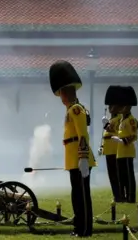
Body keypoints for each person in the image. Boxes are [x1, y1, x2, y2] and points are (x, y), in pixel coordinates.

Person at [49, 60, 96, 237]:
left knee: (82, 197)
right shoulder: (71, 109)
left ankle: (84, 230)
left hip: (80, 159)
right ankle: (79, 227)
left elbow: (83, 134)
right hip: (74, 159)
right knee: (77, 196)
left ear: (65, 93)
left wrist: (83, 158)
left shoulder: (76, 110)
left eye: (61, 93)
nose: (60, 97)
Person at [113, 86, 138, 203]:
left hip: (128, 152)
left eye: (122, 106)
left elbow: (134, 135)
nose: (120, 108)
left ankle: (131, 197)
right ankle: (123, 196)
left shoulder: (131, 120)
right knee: (121, 176)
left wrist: (122, 140)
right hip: (120, 152)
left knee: (129, 176)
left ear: (128, 107)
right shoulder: (122, 120)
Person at [100, 86, 123, 202]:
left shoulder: (119, 118)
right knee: (112, 175)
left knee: (116, 175)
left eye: (112, 106)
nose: (110, 108)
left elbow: (111, 130)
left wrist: (105, 124)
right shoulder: (112, 119)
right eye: (109, 106)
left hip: (115, 149)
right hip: (109, 149)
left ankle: (119, 195)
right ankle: (117, 195)